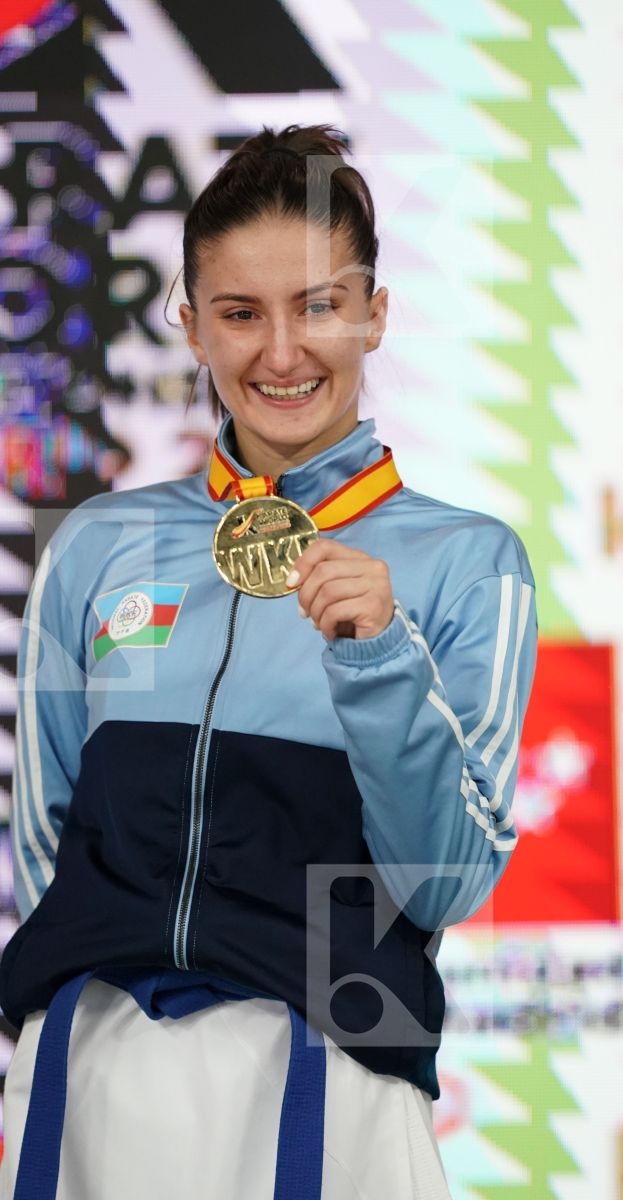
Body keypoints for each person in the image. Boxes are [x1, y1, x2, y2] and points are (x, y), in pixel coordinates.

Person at [0, 125, 537, 1200]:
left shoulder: (463, 563)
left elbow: (443, 880)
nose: (281, 353)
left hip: (334, 1069)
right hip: (96, 1074)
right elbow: (43, 846)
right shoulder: (105, 546)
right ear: (192, 327)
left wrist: (381, 656)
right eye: (241, 314)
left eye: (318, 307)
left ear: (373, 312)